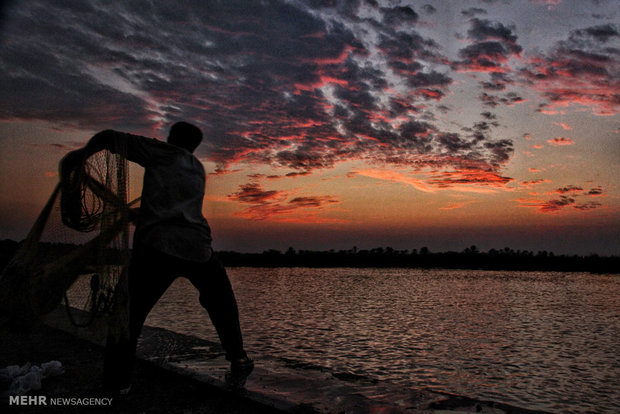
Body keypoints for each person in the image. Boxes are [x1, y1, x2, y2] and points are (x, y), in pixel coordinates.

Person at [61, 122, 253, 395]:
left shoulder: (162, 152)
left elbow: (108, 136)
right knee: (222, 303)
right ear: (194, 146)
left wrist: (80, 157)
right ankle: (239, 358)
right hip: (198, 249)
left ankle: (117, 384)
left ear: (171, 139)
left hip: (157, 248)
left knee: (127, 315)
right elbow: (174, 207)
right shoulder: (197, 167)